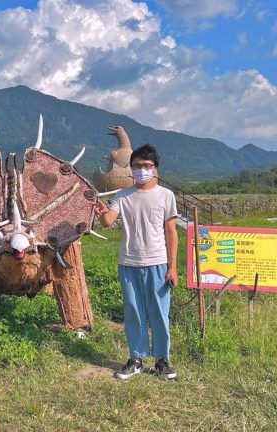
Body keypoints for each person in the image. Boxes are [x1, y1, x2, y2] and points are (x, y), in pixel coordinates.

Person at [94, 144, 179, 381]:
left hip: (158, 263)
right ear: (131, 169)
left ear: (156, 169)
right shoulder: (122, 195)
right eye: (137, 166)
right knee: (133, 312)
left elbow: (171, 232)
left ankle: (162, 360)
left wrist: (173, 266)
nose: (142, 169)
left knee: (159, 313)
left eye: (147, 166)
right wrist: (102, 212)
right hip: (129, 262)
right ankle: (136, 359)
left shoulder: (166, 196)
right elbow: (108, 221)